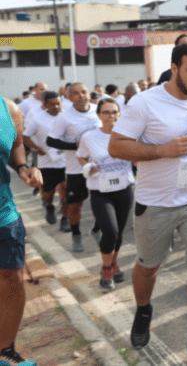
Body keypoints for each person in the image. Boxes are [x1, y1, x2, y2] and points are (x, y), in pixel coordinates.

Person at [108, 42, 187, 359]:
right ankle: (143, 309)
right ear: (175, 68)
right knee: (149, 268)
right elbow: (116, 146)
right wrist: (162, 150)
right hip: (156, 203)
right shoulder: (145, 103)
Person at [0, 95, 43, 366]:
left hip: (3, 212)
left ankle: (5, 351)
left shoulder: (8, 109)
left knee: (11, 277)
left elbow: (16, 145)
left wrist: (23, 168)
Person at [76, 98, 134, 290]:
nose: (111, 115)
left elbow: (137, 156)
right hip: (101, 191)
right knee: (111, 231)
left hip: (124, 189)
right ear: (99, 115)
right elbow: (80, 156)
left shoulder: (128, 135)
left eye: (114, 112)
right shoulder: (89, 137)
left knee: (119, 234)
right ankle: (106, 268)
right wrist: (87, 167)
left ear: (120, 114)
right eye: (106, 112)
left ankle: (113, 263)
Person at [46, 83, 101, 252]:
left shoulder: (99, 110)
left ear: (89, 93)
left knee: (102, 203)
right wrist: (75, 146)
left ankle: (97, 230)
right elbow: (51, 140)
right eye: (76, 93)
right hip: (76, 169)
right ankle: (76, 235)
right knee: (76, 205)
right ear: (68, 97)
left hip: (100, 166)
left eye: (84, 92)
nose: (81, 96)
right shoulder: (64, 117)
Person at [22, 91, 66, 226]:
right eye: (52, 104)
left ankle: (66, 219)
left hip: (66, 161)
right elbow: (25, 136)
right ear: (45, 104)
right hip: (47, 162)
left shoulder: (67, 117)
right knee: (48, 193)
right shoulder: (38, 118)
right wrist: (37, 148)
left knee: (65, 191)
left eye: (58, 103)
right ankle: (49, 206)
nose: (56, 106)